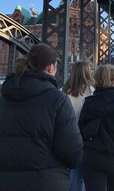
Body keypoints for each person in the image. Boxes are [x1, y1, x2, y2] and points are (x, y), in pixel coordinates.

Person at [0, 43, 83, 191]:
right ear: (51, 67)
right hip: (46, 182)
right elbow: (72, 154)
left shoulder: (3, 95)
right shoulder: (58, 99)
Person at [63, 61, 94, 191]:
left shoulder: (63, 91)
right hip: (88, 140)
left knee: (74, 175)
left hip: (68, 139)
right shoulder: (93, 92)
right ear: (88, 72)